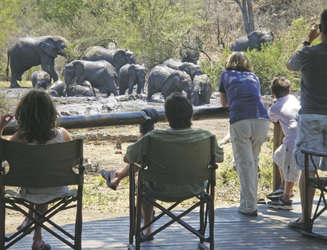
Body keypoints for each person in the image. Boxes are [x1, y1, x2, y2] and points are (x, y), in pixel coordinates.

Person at [100, 92, 224, 240]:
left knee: (143, 179)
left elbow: (128, 158)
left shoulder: (152, 137)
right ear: (190, 114)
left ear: (167, 116)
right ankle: (117, 176)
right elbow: (220, 158)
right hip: (195, 187)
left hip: (158, 188)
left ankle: (147, 229)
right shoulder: (207, 137)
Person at [0, 89, 73, 250]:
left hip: (29, 190)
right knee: (43, 185)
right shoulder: (63, 134)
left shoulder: (18, 139)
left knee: (37, 187)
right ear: (51, 112)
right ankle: (37, 238)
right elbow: (75, 163)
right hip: (57, 189)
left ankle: (31, 227)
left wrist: (0, 128)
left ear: (23, 113)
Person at [287, 9, 327, 231]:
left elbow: (290, 64)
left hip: (311, 115)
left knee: (308, 168)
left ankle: (305, 219)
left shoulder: (309, 53)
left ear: (320, 29)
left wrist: (307, 39)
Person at [219, 52, 270, 216]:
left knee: (245, 164)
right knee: (252, 163)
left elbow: (224, 103)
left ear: (229, 62)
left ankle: (250, 207)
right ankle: (247, 202)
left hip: (241, 120)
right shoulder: (253, 76)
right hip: (262, 119)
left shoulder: (225, 75)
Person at [266, 76, 300, 210]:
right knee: (278, 156)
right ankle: (283, 185)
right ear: (290, 90)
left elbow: (272, 119)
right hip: (300, 135)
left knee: (290, 169)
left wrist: (270, 106)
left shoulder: (275, 109)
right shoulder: (292, 98)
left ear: (273, 93)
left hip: (293, 140)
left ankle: (286, 199)